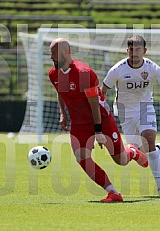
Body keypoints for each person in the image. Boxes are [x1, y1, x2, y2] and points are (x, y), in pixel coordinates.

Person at [48, 38, 149, 203]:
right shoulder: (53, 73)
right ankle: (113, 192)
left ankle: (132, 152)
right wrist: (63, 113)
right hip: (79, 122)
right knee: (81, 157)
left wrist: (98, 132)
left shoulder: (83, 73)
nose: (51, 57)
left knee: (120, 160)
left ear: (65, 53)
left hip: (101, 119)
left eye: (53, 54)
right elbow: (60, 91)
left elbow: (94, 104)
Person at [101, 35, 160, 197]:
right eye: (131, 49)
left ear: (144, 51)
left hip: (145, 107)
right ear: (127, 50)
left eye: (138, 49)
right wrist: (102, 110)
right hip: (125, 111)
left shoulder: (151, 67)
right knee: (139, 151)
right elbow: (103, 91)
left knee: (148, 139)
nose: (134, 53)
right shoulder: (117, 69)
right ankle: (157, 151)